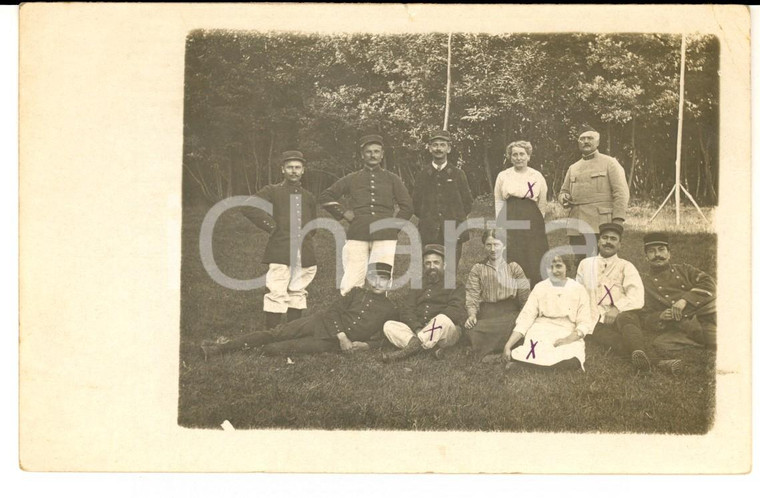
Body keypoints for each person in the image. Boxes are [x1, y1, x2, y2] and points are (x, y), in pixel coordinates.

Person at [201, 263, 398, 359]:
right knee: (276, 333)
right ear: (367, 280)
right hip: (321, 323)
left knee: (275, 349)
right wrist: (342, 336)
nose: (378, 283)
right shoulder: (356, 293)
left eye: (383, 279)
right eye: (374, 278)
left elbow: (385, 338)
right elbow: (332, 312)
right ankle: (220, 348)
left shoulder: (390, 309)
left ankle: (242, 349)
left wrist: (367, 346)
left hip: (328, 344)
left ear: (389, 282)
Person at [319, 134, 413, 295]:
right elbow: (325, 196)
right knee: (352, 278)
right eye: (368, 151)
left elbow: (407, 206)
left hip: (385, 235)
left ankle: (378, 315)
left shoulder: (392, 179)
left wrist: (392, 228)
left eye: (376, 151)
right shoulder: (352, 178)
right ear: (362, 155)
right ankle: (349, 314)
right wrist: (344, 213)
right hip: (358, 232)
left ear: (382, 154)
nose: (373, 155)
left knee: (380, 280)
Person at [240, 150, 318, 329]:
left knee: (298, 289)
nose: (293, 171)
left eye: (297, 167)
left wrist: (307, 235)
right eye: (289, 167)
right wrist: (271, 226)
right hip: (280, 248)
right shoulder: (273, 190)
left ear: (303, 170)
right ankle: (272, 332)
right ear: (282, 169)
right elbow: (248, 207)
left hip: (304, 250)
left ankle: (292, 330)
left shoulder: (308, 196)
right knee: (277, 288)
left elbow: (313, 222)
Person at [575, 222, 651, 371]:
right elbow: (578, 293)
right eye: (604, 238)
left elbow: (636, 295)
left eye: (613, 239)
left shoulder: (626, 266)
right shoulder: (585, 264)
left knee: (627, 322)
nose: (608, 242)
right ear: (598, 241)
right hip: (594, 317)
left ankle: (640, 351)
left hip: (623, 314)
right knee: (608, 339)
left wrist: (617, 309)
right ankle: (648, 358)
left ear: (620, 245)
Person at [503, 254, 593, 370]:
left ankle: (525, 365)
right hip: (541, 329)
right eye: (550, 267)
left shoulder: (578, 289)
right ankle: (533, 364)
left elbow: (584, 322)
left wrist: (568, 339)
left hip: (566, 330)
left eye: (559, 266)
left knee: (572, 358)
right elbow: (526, 318)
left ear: (567, 267)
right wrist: (508, 345)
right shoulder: (540, 287)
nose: (554, 271)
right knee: (536, 349)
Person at [640, 232, 716, 370]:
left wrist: (685, 300)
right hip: (687, 323)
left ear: (669, 253)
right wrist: (660, 316)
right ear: (646, 257)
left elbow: (709, 283)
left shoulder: (684, 269)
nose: (657, 255)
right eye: (651, 251)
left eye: (661, 250)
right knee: (661, 343)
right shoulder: (644, 284)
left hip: (707, 310)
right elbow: (644, 315)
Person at [558, 126, 629, 267]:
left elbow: (621, 193)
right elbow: (563, 191)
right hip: (577, 224)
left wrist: (618, 220)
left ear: (597, 142)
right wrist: (564, 197)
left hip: (600, 223)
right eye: (582, 139)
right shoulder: (574, 167)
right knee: (580, 264)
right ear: (578, 143)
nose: (586, 141)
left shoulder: (610, 163)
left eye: (590, 138)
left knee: (603, 263)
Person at [381, 244, 466, 362]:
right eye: (428, 263)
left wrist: (431, 324)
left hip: (446, 332)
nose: (432, 266)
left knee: (442, 319)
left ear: (444, 264)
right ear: (423, 266)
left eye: (436, 262)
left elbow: (456, 310)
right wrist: (417, 328)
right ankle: (429, 348)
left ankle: (406, 352)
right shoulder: (418, 283)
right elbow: (407, 309)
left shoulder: (456, 284)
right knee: (389, 325)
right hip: (420, 329)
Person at [464, 229, 530, 362]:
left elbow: (525, 296)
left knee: (516, 328)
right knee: (472, 329)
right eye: (489, 245)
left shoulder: (514, 267)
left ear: (504, 246)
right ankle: (501, 354)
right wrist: (472, 315)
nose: (493, 249)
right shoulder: (478, 268)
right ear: (484, 246)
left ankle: (489, 352)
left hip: (510, 312)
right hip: (488, 313)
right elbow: (472, 295)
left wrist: (525, 317)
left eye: (497, 244)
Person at [493, 140, 550, 288]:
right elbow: (499, 200)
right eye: (515, 155)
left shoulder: (536, 175)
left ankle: (535, 289)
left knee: (532, 252)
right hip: (509, 214)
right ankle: (511, 290)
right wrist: (499, 224)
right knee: (511, 250)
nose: (518, 158)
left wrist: (538, 221)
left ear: (528, 156)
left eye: (522, 154)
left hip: (532, 216)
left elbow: (542, 202)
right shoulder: (503, 175)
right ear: (510, 158)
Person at [412, 129, 473, 267]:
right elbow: (416, 204)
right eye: (435, 145)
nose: (438, 148)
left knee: (450, 270)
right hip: (429, 229)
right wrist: (429, 218)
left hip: (453, 229)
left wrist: (454, 218)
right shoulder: (423, 175)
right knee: (430, 268)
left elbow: (467, 202)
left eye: (442, 145)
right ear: (429, 148)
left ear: (449, 148)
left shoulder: (458, 174)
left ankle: (450, 289)